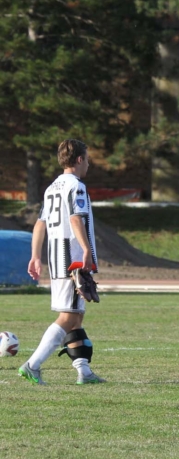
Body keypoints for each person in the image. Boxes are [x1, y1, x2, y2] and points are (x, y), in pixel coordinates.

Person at [20, 139, 105, 385]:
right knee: (68, 317)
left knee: (76, 317)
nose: (88, 164)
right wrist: (86, 250)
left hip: (57, 258)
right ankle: (32, 365)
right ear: (79, 159)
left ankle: (84, 371)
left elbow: (40, 224)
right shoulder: (76, 186)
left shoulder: (52, 188)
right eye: (87, 159)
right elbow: (76, 219)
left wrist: (36, 255)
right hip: (73, 261)